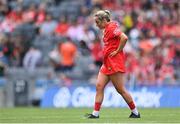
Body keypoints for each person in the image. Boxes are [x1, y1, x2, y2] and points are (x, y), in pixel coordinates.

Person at [86, 10, 140, 119]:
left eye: (98, 22)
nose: (96, 25)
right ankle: (95, 114)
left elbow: (124, 37)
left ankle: (135, 112)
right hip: (106, 63)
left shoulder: (111, 27)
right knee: (99, 86)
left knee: (120, 89)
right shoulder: (106, 29)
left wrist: (118, 50)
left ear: (104, 20)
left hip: (114, 62)